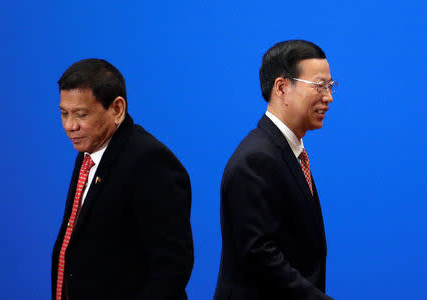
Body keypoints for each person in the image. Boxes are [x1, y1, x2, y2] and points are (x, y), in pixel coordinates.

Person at [51, 58, 194, 300]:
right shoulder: (89, 153)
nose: (70, 126)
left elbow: (172, 266)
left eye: (81, 114)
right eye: (64, 113)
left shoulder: (149, 160)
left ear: (117, 109)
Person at [213, 40, 337, 300]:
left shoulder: (288, 152)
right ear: (282, 87)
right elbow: (258, 255)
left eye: (330, 86)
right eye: (319, 86)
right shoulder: (257, 159)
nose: (328, 97)